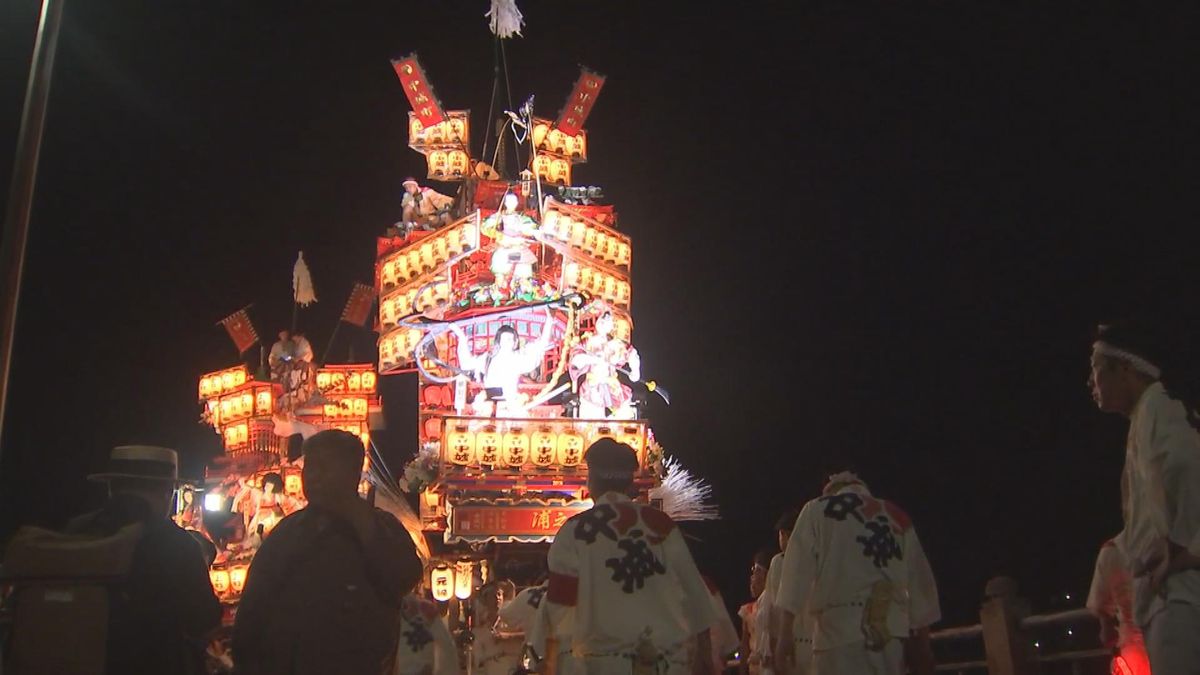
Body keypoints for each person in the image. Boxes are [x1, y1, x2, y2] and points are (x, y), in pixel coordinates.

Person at [232, 429, 423, 675]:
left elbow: (404, 576)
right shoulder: (287, 532)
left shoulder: (381, 527)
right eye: (309, 468)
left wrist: (360, 521)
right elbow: (254, 608)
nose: (313, 477)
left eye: (324, 467)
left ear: (352, 474)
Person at [543, 438, 715, 675]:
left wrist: (547, 659)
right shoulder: (661, 526)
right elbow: (695, 596)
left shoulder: (575, 531)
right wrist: (704, 657)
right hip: (664, 663)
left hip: (600, 666)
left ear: (591, 481)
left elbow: (557, 609)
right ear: (629, 482)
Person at [1089, 321, 1200, 673]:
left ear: (1125, 369)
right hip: (1165, 590)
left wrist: (1183, 550)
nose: (1092, 384)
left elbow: (1185, 466)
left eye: (1096, 371)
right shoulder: (1149, 414)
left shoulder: (1159, 408)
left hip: (1178, 591)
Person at [65, 445, 223, 674]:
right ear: (167, 492)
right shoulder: (176, 543)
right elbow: (205, 622)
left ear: (111, 488)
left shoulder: (76, 531)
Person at [773, 472, 939, 675]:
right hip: (890, 637)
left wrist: (784, 635)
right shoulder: (897, 515)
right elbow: (920, 585)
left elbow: (795, 575)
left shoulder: (816, 510)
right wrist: (923, 645)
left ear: (830, 490)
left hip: (837, 638)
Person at [454, 308, 555, 417]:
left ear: (515, 342)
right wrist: (461, 338)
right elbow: (467, 364)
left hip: (509, 404)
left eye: (511, 339)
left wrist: (549, 321)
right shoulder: (488, 358)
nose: (508, 342)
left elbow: (541, 345)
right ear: (499, 341)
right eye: (505, 339)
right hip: (487, 404)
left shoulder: (517, 358)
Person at [1087, 537, 1151, 675]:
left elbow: (1100, 603)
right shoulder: (1167, 542)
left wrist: (1107, 627)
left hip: (1131, 644)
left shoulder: (1112, 549)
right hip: (1171, 638)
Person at [569, 309, 641, 419]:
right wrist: (593, 359)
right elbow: (576, 360)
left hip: (613, 387)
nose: (604, 322)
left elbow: (633, 355)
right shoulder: (588, 342)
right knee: (591, 422)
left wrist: (635, 371)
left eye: (608, 320)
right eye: (602, 319)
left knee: (622, 417)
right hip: (592, 388)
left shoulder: (616, 345)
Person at [740, 549, 775, 675]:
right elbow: (744, 646)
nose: (752, 578)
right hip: (754, 668)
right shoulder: (747, 610)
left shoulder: (775, 604)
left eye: (756, 572)